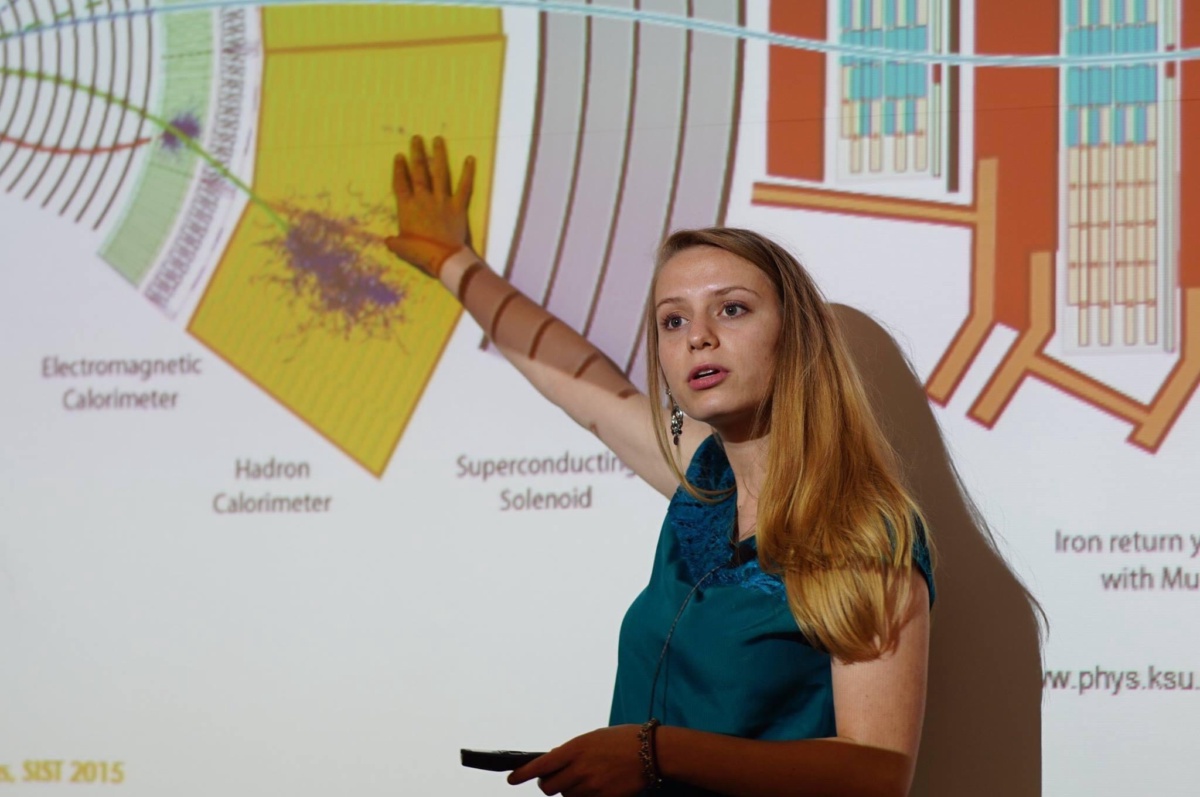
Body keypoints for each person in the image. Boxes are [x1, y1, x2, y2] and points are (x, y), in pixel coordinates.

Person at [386, 136, 935, 797]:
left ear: (796, 334)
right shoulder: (704, 483)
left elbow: (878, 773)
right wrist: (454, 263)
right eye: (672, 321)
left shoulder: (864, 531)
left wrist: (654, 753)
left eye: (730, 309)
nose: (697, 335)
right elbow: (579, 381)